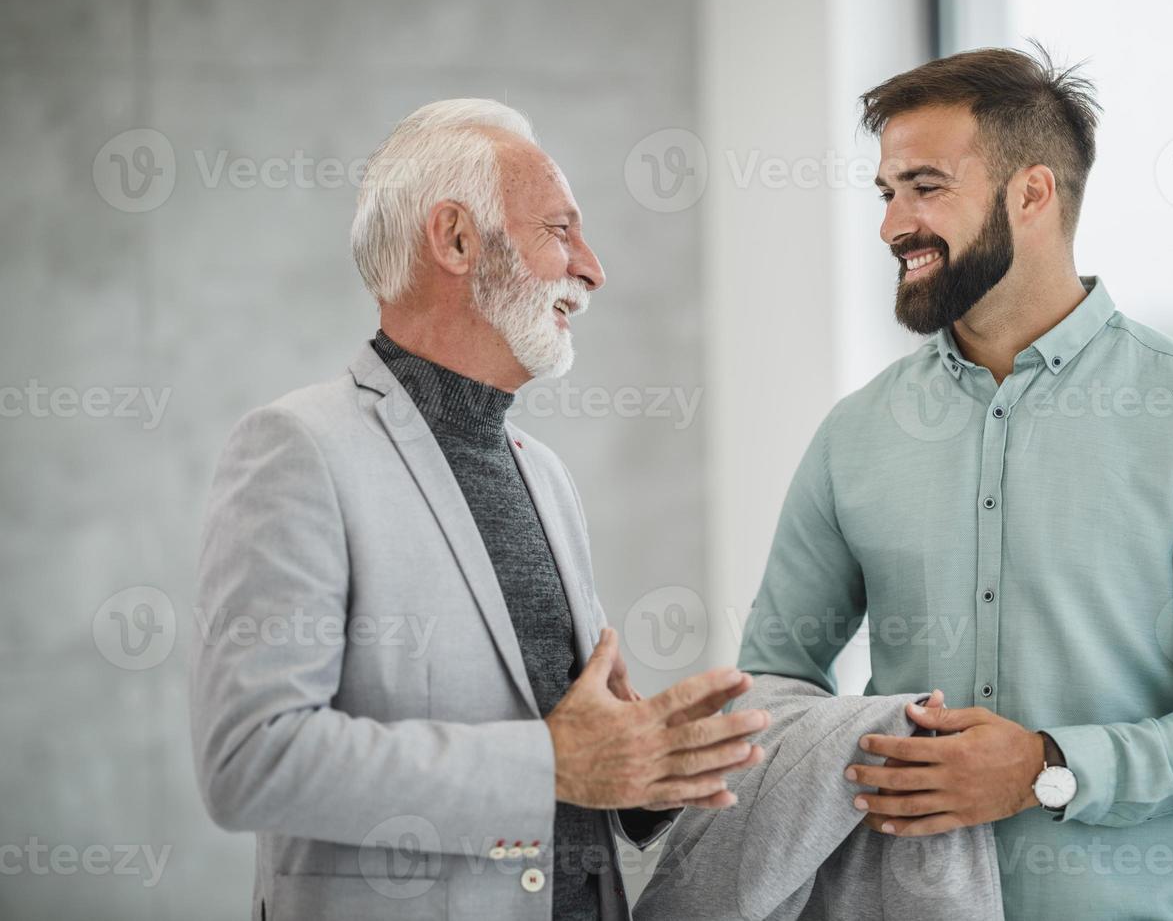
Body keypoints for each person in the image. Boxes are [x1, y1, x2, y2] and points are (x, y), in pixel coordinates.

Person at [737, 45, 1173, 919]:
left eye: (926, 187)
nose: (894, 224)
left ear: (1033, 193)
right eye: (887, 191)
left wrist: (1049, 767)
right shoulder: (855, 432)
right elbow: (774, 680)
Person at [190, 99, 767, 921]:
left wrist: (645, 770)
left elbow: (578, 754)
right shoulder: (297, 449)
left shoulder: (546, 475)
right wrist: (551, 764)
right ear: (457, 239)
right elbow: (250, 762)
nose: (594, 269)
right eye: (560, 232)